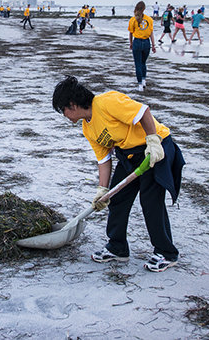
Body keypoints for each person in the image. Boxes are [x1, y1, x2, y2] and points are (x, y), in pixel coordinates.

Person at [51, 76, 184, 272]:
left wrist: (153, 141)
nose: (65, 116)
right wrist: (103, 189)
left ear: (72, 105)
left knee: (150, 201)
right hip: (129, 155)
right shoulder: (88, 127)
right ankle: (117, 247)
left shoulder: (106, 103)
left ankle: (166, 253)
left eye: (63, 111)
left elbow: (143, 112)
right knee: (117, 197)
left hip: (154, 148)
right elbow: (104, 160)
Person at [128, 1, 157, 91]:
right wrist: (153, 45)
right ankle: (144, 80)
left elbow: (131, 33)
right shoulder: (149, 19)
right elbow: (151, 33)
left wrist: (131, 43)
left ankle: (140, 84)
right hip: (146, 42)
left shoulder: (133, 19)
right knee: (143, 63)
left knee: (138, 64)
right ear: (144, 9)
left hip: (137, 42)